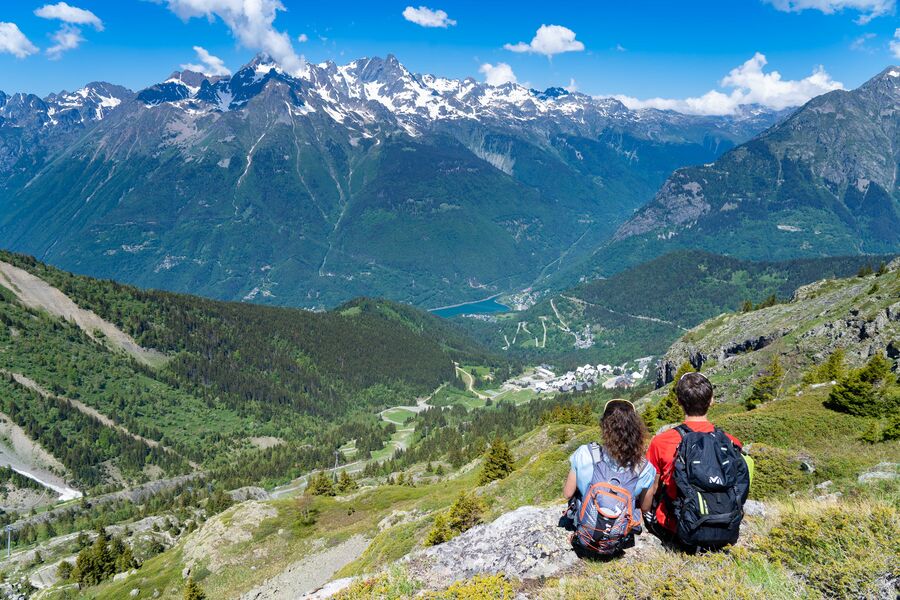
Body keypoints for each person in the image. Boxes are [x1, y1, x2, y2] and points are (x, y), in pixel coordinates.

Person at [645, 371, 752, 551]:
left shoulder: (661, 442)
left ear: (679, 402)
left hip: (677, 529)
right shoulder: (731, 442)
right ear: (711, 401)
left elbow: (652, 487)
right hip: (725, 525)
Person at [562, 399, 657, 555]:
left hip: (586, 529)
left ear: (604, 426)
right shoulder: (645, 468)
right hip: (618, 536)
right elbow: (646, 507)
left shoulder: (585, 453)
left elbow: (567, 493)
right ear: (635, 429)